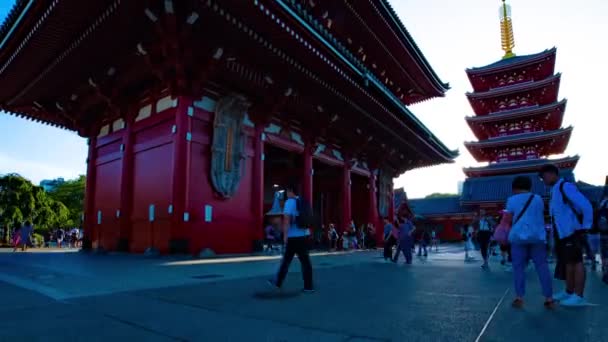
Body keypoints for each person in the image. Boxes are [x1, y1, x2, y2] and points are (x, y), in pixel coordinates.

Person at [540, 164, 593, 306]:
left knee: (576, 262)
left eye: (543, 177)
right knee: (568, 262)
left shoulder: (565, 186)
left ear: (551, 174)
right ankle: (569, 291)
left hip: (572, 230)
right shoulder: (554, 190)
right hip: (561, 232)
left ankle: (579, 295)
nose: (543, 180)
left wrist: (585, 226)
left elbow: (585, 205)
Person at [505, 176, 555, 309]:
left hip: (518, 238)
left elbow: (508, 218)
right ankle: (549, 298)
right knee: (542, 266)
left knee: (518, 268)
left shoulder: (511, 200)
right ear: (529, 186)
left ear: (514, 187)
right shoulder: (538, 198)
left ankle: (519, 297)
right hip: (537, 237)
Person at [268, 183, 314, 293]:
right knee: (305, 262)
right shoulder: (302, 201)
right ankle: (309, 286)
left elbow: (287, 220)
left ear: (290, 191)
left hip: (293, 237)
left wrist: (285, 236)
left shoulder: (290, 202)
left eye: (287, 191)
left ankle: (278, 282)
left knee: (286, 260)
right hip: (304, 235)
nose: (286, 194)